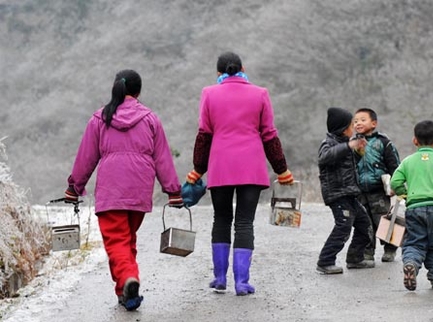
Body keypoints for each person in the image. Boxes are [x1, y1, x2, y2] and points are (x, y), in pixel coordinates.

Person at [64, 69, 183, 311]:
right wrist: (173, 191)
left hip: (111, 191)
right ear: (138, 92)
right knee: (126, 240)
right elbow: (162, 158)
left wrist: (75, 186)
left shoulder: (100, 118)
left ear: (115, 88)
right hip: (139, 190)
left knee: (116, 241)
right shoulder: (150, 119)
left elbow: (86, 157)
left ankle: (129, 278)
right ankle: (126, 294)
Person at [185, 52, 294, 296]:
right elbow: (269, 135)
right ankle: (242, 282)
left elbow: (204, 134)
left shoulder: (209, 94)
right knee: (244, 223)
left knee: (221, 219)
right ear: (243, 68)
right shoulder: (260, 93)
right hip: (251, 167)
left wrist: (198, 169)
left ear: (218, 73)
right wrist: (282, 170)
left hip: (221, 166)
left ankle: (220, 278)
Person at [391, 120, 433, 291]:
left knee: (414, 242)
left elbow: (395, 182)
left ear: (415, 141)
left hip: (414, 208)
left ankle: (411, 263)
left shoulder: (408, 161)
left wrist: (405, 194)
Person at [316, 107, 374, 274]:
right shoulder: (329, 143)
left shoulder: (345, 142)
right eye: (351, 124)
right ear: (342, 128)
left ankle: (355, 258)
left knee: (364, 224)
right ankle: (325, 261)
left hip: (350, 193)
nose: (354, 127)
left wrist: (359, 151)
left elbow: (348, 163)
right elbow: (324, 158)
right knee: (343, 227)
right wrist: (349, 146)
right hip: (337, 194)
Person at [353, 108, 401, 263]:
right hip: (360, 190)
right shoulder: (352, 144)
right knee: (364, 223)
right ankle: (367, 252)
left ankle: (390, 248)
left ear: (373, 123)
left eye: (362, 119)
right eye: (355, 121)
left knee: (383, 220)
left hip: (379, 190)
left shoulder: (383, 142)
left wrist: (395, 184)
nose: (358, 123)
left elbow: (394, 165)